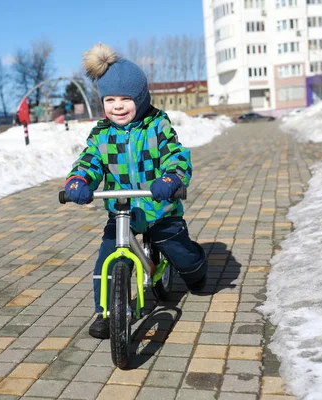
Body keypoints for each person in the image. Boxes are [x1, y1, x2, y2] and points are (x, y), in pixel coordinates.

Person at [64, 44, 208, 339]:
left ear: (140, 98)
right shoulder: (102, 134)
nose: (117, 106)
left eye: (126, 99)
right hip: (121, 212)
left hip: (159, 208)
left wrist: (171, 179)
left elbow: (175, 155)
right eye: (110, 99)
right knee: (107, 260)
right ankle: (105, 313)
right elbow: (89, 161)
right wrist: (79, 180)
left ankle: (197, 270)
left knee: (182, 256)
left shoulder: (157, 126)